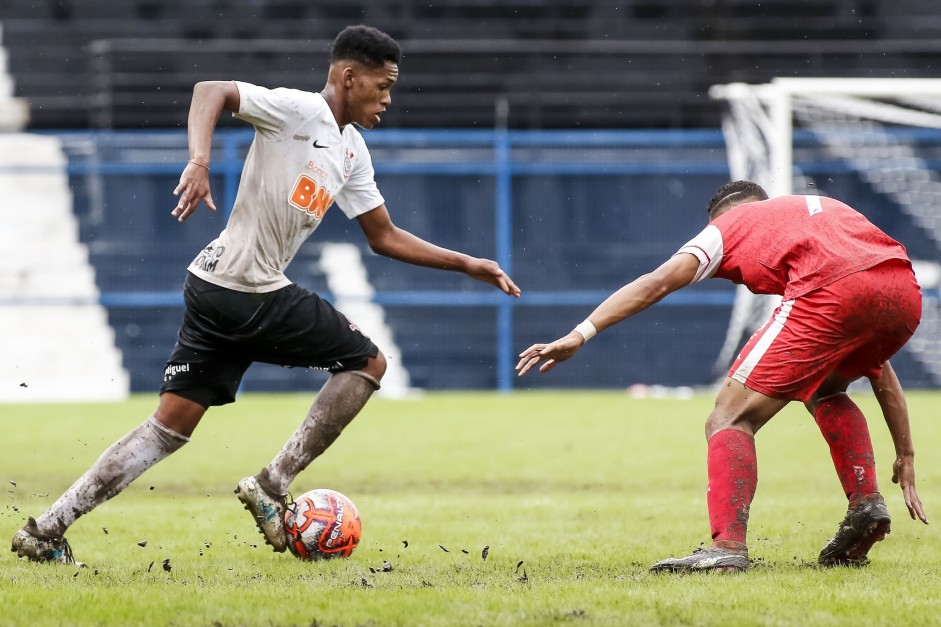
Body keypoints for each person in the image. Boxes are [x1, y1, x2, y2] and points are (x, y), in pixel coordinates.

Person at [11, 24, 520, 565]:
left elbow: (384, 235)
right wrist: (200, 162)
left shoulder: (351, 151)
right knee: (367, 363)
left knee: (167, 429)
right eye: (383, 84)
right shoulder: (299, 111)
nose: (389, 99)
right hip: (246, 289)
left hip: (213, 287)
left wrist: (467, 263)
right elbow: (211, 90)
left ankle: (47, 529)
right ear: (349, 77)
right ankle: (272, 485)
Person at [516, 180, 928, 573]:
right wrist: (905, 454)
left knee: (729, 416)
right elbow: (881, 372)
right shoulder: (813, 214)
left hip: (830, 290)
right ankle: (866, 504)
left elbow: (655, 283)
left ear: (721, 213)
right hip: (903, 291)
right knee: (826, 386)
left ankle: (726, 548)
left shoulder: (727, 225)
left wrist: (580, 333)